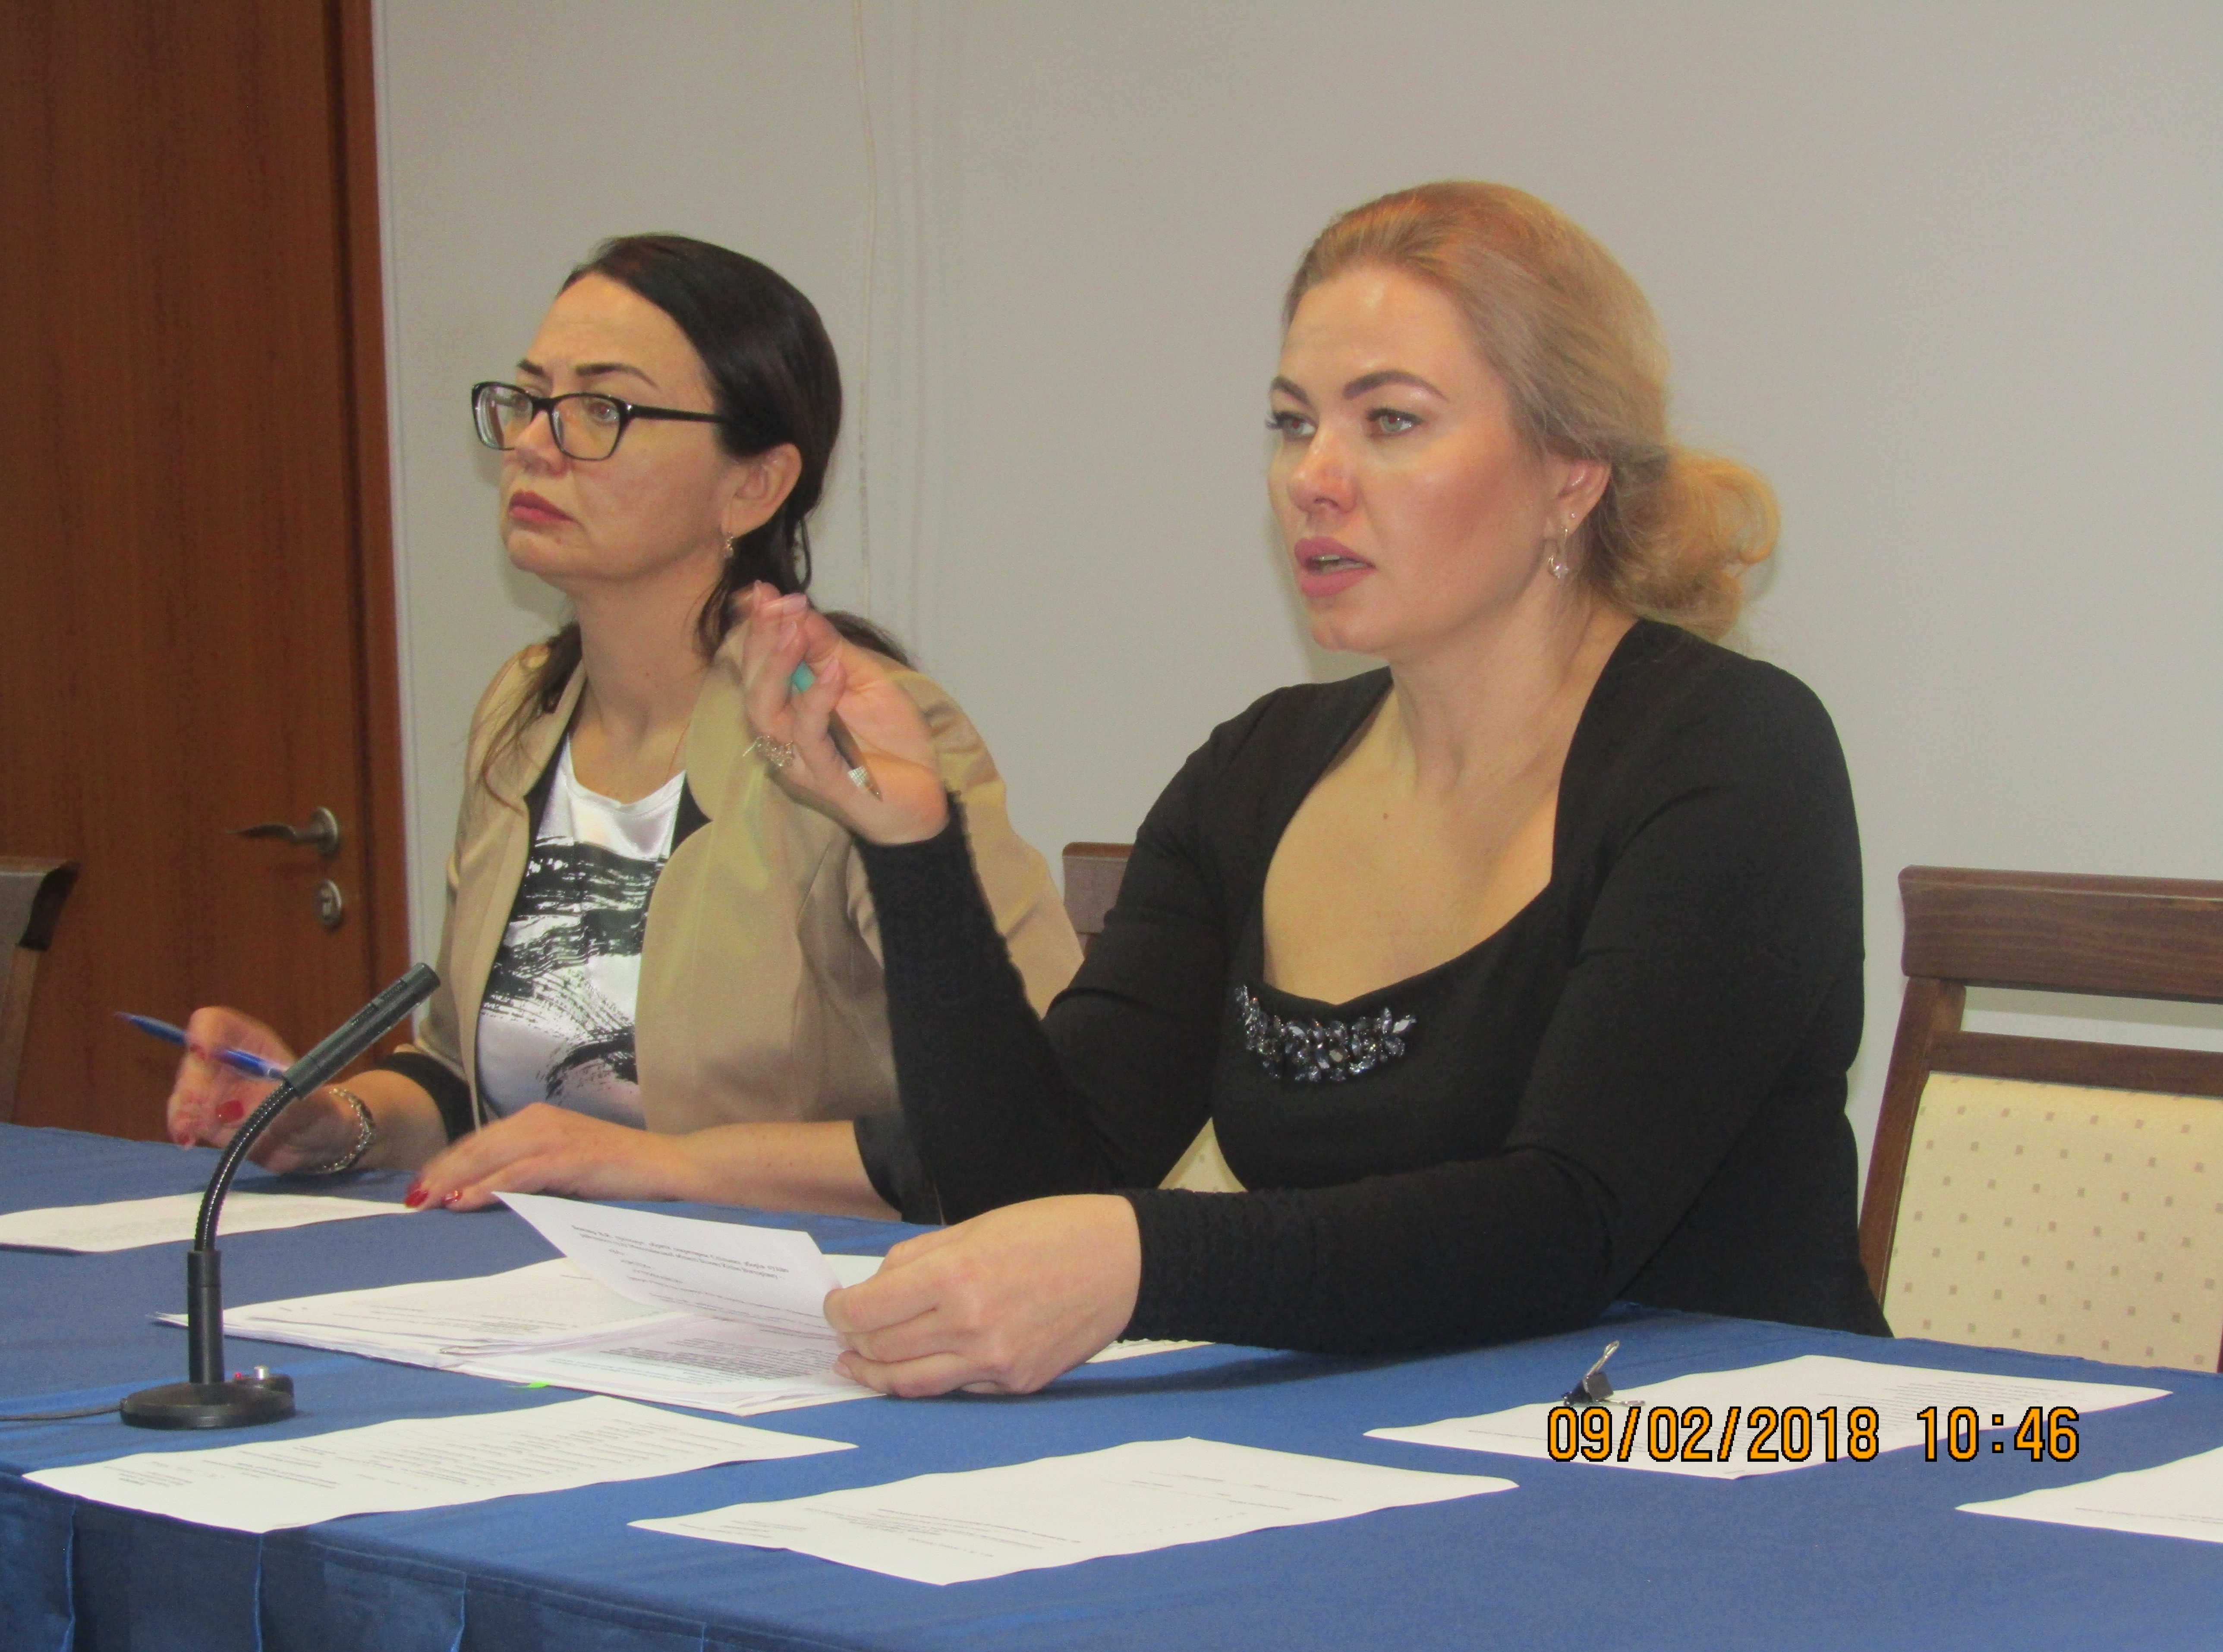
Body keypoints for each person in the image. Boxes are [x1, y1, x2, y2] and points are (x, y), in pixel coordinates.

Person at [422, 181, 1889, 1394]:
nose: (1314, 477)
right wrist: (913, 851)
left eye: (1390, 421)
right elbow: (1037, 1180)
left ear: (1571, 470)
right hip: (1375, 1453)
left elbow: (1566, 1222)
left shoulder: (1729, 752)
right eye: (1291, 422)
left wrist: (1141, 1260)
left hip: (1728, 1455)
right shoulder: (1259, 772)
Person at [166, 235, 1078, 1209]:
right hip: (540, 1279)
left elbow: (1041, 1116)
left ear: (753, 485)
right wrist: (330, 1119)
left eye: (602, 410)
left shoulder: (857, 728)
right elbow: (468, 1082)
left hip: (809, 1283)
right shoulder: (524, 709)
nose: (533, 443)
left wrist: (671, 1167)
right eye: (529, 399)